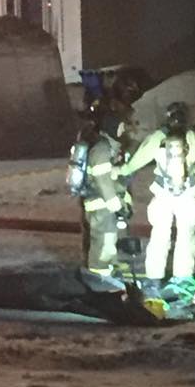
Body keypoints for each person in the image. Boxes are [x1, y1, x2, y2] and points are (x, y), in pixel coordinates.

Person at [125, 101, 195, 295]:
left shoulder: (158, 137)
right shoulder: (194, 137)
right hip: (188, 194)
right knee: (185, 237)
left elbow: (140, 157)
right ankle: (182, 280)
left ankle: (154, 279)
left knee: (159, 237)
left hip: (163, 195)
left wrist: (124, 170)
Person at [81, 105, 134, 280]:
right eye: (120, 126)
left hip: (106, 206)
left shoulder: (109, 147)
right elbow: (102, 180)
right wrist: (115, 203)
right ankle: (99, 277)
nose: (123, 129)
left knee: (109, 240)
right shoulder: (102, 150)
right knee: (103, 243)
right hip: (101, 206)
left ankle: (110, 269)